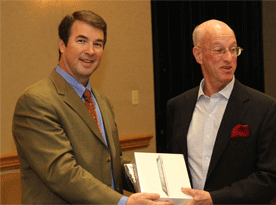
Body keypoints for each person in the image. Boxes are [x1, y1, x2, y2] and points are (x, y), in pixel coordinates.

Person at [12, 10, 172, 205]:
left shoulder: (102, 101)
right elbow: (62, 173)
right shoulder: (35, 101)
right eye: (81, 41)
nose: (91, 51)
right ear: (62, 45)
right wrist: (124, 202)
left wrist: (159, 180)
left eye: (98, 44)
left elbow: (110, 161)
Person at [166, 20, 276, 204]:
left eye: (233, 49)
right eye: (219, 50)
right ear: (198, 54)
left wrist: (214, 198)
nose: (229, 58)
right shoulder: (178, 106)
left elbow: (271, 179)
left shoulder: (265, 108)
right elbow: (171, 166)